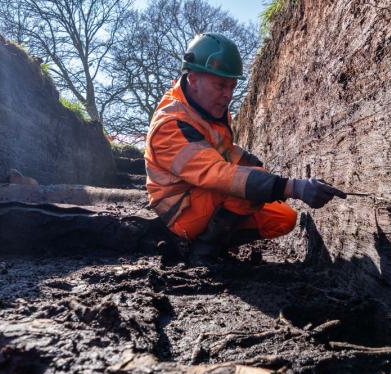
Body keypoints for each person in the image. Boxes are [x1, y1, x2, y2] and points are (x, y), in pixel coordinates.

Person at [144, 32, 346, 266]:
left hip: (203, 197)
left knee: (284, 218)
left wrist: (256, 166)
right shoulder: (170, 124)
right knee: (243, 190)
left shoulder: (209, 110)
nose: (227, 95)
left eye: (232, 86)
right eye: (220, 85)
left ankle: (213, 242)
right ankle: (202, 253)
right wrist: (291, 187)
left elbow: (224, 150)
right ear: (193, 79)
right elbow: (216, 173)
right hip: (181, 211)